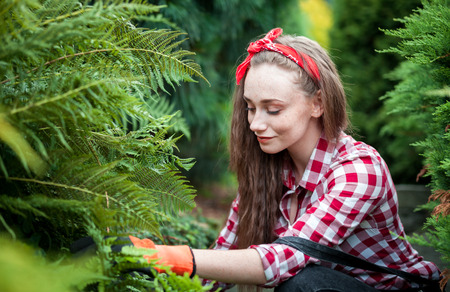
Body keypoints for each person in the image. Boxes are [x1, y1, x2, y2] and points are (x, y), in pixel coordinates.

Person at [122, 28, 442, 291]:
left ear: (317, 103)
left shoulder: (359, 170)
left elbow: (286, 256)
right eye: (250, 107)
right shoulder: (270, 172)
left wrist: (169, 257)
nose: (255, 124)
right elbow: (219, 264)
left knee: (302, 283)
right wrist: (133, 266)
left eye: (273, 109)